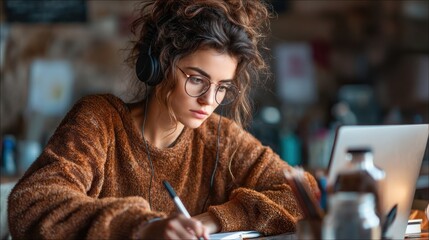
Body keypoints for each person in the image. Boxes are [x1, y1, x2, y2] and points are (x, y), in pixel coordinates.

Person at [8, 0, 320, 239]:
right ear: (158, 65)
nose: (209, 101)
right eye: (197, 79)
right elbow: (32, 205)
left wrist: (213, 220)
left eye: (222, 87)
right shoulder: (100, 120)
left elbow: (303, 194)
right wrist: (145, 227)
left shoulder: (220, 136)